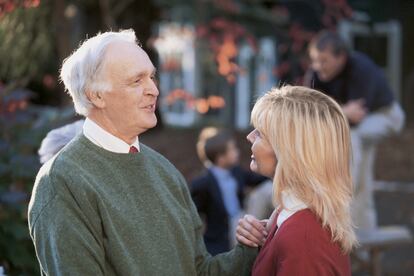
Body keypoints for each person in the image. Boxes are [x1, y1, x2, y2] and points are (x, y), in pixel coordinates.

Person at [28, 30, 260, 275]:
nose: (154, 90)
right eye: (136, 80)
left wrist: (253, 249)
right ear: (96, 95)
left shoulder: (164, 170)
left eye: (151, 77)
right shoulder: (60, 182)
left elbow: (199, 270)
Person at [237, 86, 357, 275]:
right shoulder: (290, 215)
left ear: (288, 151)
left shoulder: (304, 236)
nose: (249, 136)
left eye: (260, 133)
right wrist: (260, 245)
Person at [304, 31, 405, 230]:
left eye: (324, 61)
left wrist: (333, 111)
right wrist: (342, 109)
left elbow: (356, 118)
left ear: (340, 57)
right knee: (364, 185)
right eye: (315, 60)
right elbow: (309, 112)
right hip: (355, 127)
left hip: (386, 116)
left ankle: (342, 191)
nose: (318, 66)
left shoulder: (361, 68)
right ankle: (364, 240)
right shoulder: (316, 74)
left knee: (351, 136)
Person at [190, 127, 267, 255]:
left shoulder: (236, 172)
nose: (237, 152)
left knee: (268, 188)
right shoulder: (203, 183)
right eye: (232, 150)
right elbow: (193, 214)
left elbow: (258, 179)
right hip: (224, 235)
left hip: (243, 218)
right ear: (221, 158)